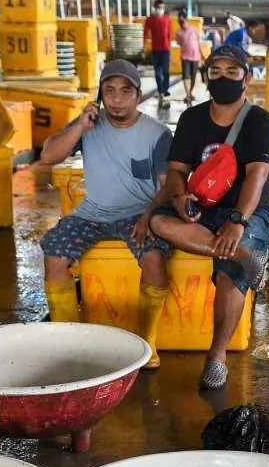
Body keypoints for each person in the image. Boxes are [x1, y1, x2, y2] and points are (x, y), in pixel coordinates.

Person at [148, 45, 269, 390]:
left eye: (232, 72)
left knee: (229, 276)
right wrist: (179, 199)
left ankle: (216, 358)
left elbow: (257, 176)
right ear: (205, 77)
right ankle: (247, 258)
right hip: (201, 208)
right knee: (158, 221)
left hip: (248, 212)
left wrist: (237, 221)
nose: (222, 78)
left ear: (247, 78)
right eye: (215, 71)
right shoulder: (192, 118)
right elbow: (176, 170)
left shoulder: (259, 121)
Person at [38, 60, 173, 368]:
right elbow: (48, 155)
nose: (116, 98)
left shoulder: (157, 134)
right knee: (54, 255)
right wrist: (79, 126)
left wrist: (148, 215)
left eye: (126, 90)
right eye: (109, 90)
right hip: (91, 214)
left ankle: (146, 343)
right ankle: (68, 343)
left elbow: (168, 187)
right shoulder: (87, 126)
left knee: (154, 258)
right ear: (100, 95)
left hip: (137, 215)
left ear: (138, 95)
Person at [143, 0, 173, 107]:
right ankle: (160, 91)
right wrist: (144, 46)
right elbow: (145, 33)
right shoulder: (150, 19)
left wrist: (169, 47)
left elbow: (169, 33)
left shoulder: (167, 19)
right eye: (158, 8)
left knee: (165, 71)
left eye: (162, 8)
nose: (160, 9)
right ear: (154, 8)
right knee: (157, 72)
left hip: (166, 50)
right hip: (155, 50)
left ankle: (165, 89)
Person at [176, 10, 202, 104]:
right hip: (185, 57)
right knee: (186, 76)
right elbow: (179, 44)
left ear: (186, 20)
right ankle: (187, 95)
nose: (181, 23)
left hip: (196, 56)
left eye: (182, 21)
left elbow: (198, 42)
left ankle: (190, 93)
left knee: (193, 76)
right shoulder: (178, 33)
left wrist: (202, 54)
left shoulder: (194, 29)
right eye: (179, 22)